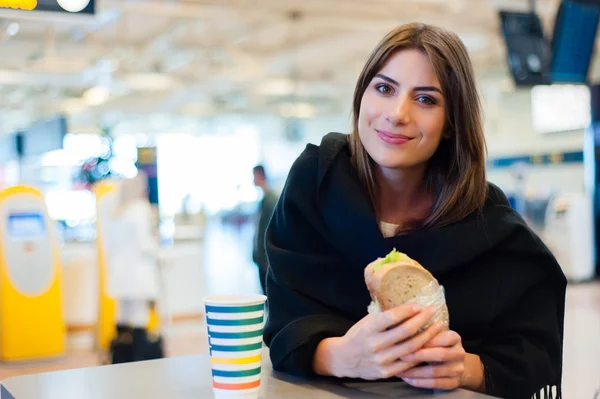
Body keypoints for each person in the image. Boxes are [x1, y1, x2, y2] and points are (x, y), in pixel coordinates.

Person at [263, 23, 566, 399]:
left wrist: (465, 368)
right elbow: (285, 318)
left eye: (425, 99)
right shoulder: (315, 183)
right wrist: (339, 356)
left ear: (452, 124)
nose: (397, 114)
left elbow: (531, 357)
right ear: (361, 96)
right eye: (385, 88)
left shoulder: (488, 221)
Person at [105, 172, 164, 363]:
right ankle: (140, 358)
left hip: (119, 273)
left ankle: (121, 357)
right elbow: (144, 243)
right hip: (139, 272)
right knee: (140, 316)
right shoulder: (139, 209)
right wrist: (160, 254)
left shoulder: (114, 211)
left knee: (122, 314)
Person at [252, 164, 278, 294]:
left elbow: (270, 231)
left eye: (254, 176)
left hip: (266, 261)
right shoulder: (263, 201)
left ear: (260, 175)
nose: (253, 180)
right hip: (261, 259)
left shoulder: (271, 201)